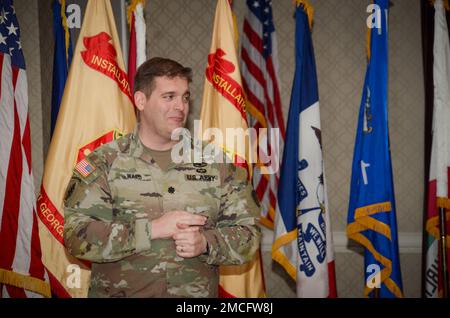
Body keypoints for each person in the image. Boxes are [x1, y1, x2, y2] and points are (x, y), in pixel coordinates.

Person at [63, 57, 261, 298]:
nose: (180, 106)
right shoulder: (104, 163)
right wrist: (151, 230)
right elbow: (76, 236)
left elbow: (249, 236)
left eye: (185, 97)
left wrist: (206, 243)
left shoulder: (217, 164)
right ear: (140, 100)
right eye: (169, 97)